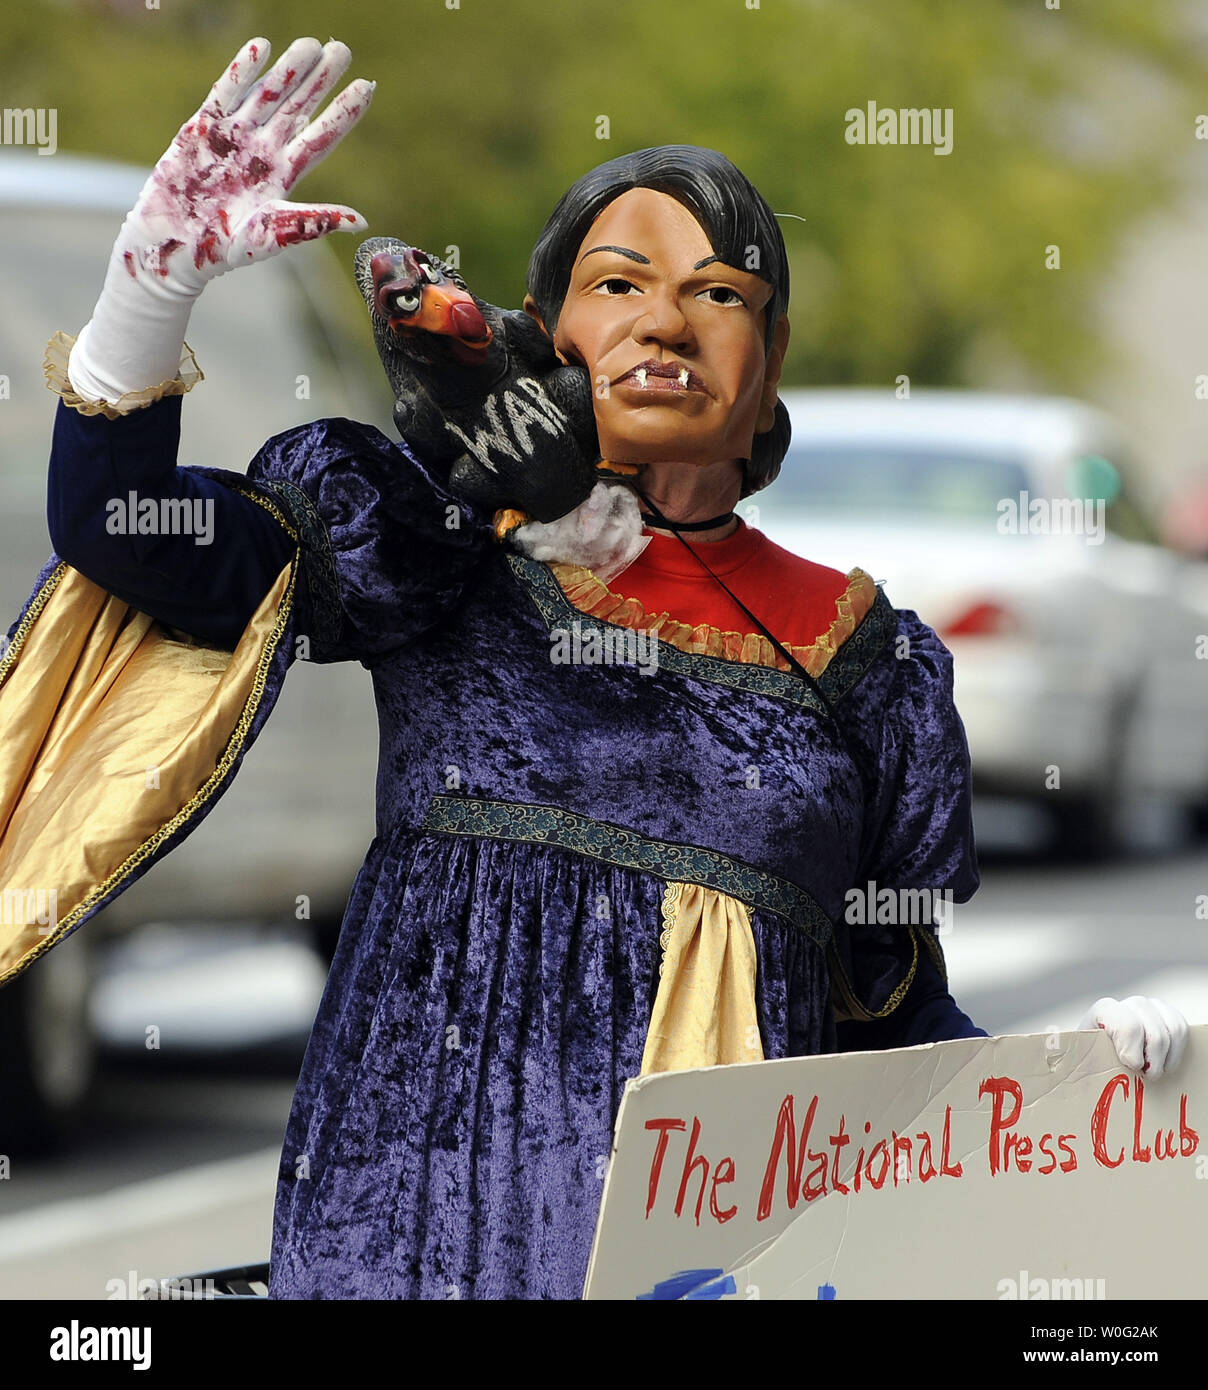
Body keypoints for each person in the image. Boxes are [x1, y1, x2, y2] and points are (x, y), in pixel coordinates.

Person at [0, 36, 1188, 1299]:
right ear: (548, 333)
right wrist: (145, 296)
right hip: (411, 1249)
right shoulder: (442, 551)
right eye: (618, 284)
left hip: (710, 1274)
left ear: (769, 361)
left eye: (721, 294)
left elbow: (884, 1022)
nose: (666, 320)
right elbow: (124, 532)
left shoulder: (863, 661)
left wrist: (1079, 1087)